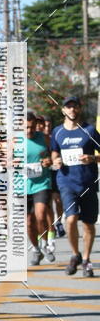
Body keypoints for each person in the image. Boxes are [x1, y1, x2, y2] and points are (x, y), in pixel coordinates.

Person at [50, 96, 100, 277]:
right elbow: (54, 152)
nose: (72, 110)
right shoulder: (57, 132)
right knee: (70, 219)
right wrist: (55, 160)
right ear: (63, 110)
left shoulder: (89, 130)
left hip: (88, 182)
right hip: (66, 182)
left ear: (79, 109)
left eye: (75, 107)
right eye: (68, 107)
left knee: (88, 224)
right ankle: (75, 254)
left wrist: (92, 158)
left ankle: (86, 259)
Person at [25, 111, 55, 265]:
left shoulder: (44, 138)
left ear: (36, 125)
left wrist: (49, 161)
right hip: (21, 186)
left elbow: (53, 156)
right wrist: (12, 164)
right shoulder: (13, 141)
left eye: (31, 127)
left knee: (41, 215)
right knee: (29, 223)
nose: (29, 131)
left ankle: (45, 245)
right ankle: (36, 249)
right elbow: (4, 162)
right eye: (26, 128)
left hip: (42, 183)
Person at [44, 115, 65, 240]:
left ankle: (58, 222)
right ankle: (50, 225)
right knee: (47, 202)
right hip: (43, 175)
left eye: (48, 125)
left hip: (56, 172)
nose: (46, 128)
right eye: (44, 125)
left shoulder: (56, 137)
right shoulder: (39, 139)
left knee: (58, 200)